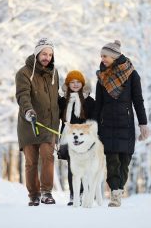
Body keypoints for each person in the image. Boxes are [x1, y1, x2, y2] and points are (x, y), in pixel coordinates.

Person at [93, 40, 149, 207]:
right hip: (107, 124)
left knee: (125, 160)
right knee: (112, 161)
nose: (102, 59)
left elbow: (138, 100)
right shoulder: (102, 77)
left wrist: (143, 123)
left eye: (105, 56)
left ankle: (119, 189)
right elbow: (98, 104)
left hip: (126, 124)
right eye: (101, 56)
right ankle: (115, 194)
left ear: (114, 56)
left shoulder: (132, 75)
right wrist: (93, 126)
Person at [15, 38, 60, 206]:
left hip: (48, 125)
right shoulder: (24, 73)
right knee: (31, 161)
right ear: (37, 53)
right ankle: (33, 194)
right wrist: (28, 110)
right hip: (29, 123)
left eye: (50, 54)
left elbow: (55, 99)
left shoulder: (54, 72)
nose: (47, 57)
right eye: (44, 53)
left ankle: (46, 192)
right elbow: (22, 95)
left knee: (48, 156)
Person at [58, 70, 95, 206]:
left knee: (84, 167)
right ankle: (73, 195)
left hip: (84, 139)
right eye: (72, 82)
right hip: (68, 138)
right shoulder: (63, 101)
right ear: (67, 84)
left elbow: (93, 121)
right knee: (72, 166)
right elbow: (55, 115)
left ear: (83, 84)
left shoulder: (89, 101)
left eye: (78, 82)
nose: (75, 84)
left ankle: (83, 193)